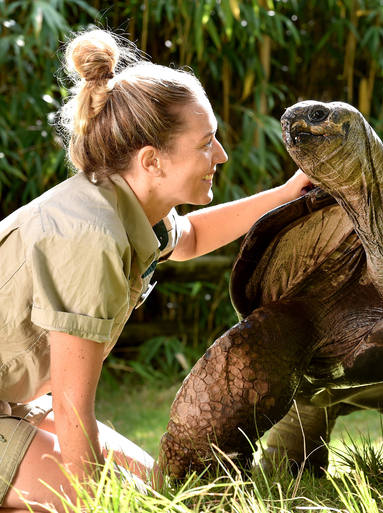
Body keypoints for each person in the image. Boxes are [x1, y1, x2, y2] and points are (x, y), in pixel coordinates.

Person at [0, 29, 312, 512]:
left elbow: (190, 239)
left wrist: (289, 192)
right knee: (121, 503)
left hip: (13, 404)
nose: (222, 156)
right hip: (33, 405)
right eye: (206, 143)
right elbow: (71, 407)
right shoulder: (90, 234)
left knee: (173, 493)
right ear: (152, 161)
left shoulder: (131, 206)